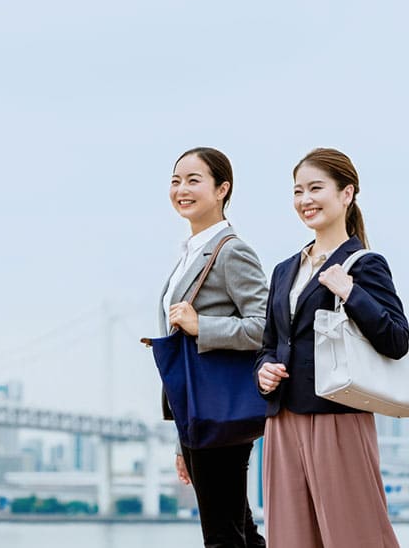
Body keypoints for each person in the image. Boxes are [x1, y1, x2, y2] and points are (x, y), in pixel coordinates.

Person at [255, 148, 408, 547]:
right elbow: (270, 343)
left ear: (346, 194)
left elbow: (396, 340)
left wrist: (350, 292)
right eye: (298, 191)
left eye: (316, 188)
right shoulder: (284, 269)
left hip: (337, 416)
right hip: (282, 418)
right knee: (290, 537)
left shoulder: (364, 263)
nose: (305, 200)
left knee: (355, 535)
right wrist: (264, 370)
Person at [159, 147, 268, 548]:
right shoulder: (189, 254)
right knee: (240, 530)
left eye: (193, 180)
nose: (181, 189)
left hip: (221, 413)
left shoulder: (231, 251)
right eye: (175, 181)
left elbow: (265, 328)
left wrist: (201, 324)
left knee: (222, 537)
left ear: (222, 189)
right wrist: (180, 441)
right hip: (199, 418)